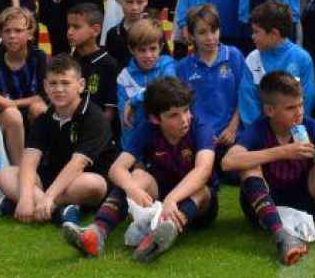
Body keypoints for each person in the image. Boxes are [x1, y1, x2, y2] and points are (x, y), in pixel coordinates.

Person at [222, 71, 315, 264]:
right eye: (290, 108)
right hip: (264, 208)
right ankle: (282, 238)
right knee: (249, 167)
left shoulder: (310, 126)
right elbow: (228, 162)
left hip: (305, 201)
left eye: (301, 105)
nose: (299, 112)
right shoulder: (259, 128)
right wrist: (283, 151)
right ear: (270, 110)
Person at [64, 76, 218, 262]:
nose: (184, 120)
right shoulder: (147, 129)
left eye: (186, 111)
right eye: (174, 115)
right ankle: (97, 233)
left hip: (199, 207)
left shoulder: (200, 128)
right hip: (160, 197)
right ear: (155, 119)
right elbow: (116, 169)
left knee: (202, 190)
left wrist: (172, 199)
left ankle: (161, 234)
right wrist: (133, 188)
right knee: (136, 176)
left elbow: (203, 171)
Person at [0, 56, 115, 226]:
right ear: (45, 86)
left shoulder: (94, 117)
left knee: (93, 184)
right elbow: (29, 160)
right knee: (3, 175)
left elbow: (77, 164)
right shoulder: (46, 117)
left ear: (80, 85)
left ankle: (26, 202)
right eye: (53, 83)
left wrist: (47, 196)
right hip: (51, 178)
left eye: (65, 83)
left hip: (81, 179)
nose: (59, 89)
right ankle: (58, 212)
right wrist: (27, 197)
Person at [172, 4, 247, 163]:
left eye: (214, 30)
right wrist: (200, 134)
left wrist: (232, 128)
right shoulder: (183, 67)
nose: (210, 37)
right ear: (191, 35)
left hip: (231, 135)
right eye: (202, 32)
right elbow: (182, 107)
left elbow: (245, 96)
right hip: (198, 137)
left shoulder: (233, 56)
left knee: (235, 171)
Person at [0, 7, 50, 165]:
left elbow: (43, 96)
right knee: (12, 114)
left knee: (39, 108)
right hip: (8, 118)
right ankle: (18, 168)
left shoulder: (39, 57)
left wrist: (10, 103)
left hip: (31, 113)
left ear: (30, 34)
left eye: (18, 30)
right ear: (0, 35)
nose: (12, 36)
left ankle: (44, 162)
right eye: (7, 31)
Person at [238, 1, 315, 126]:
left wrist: (295, 124)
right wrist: (261, 133)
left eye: (256, 32)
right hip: (260, 134)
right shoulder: (252, 59)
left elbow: (309, 97)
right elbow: (248, 102)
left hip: (296, 128)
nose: (252, 36)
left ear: (274, 34)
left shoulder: (302, 58)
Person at [117, 20, 177, 148]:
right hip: (136, 146)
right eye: (142, 50)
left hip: (166, 143)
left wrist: (134, 100)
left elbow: (165, 88)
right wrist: (134, 157)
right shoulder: (124, 77)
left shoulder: (167, 64)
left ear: (161, 47)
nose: (148, 55)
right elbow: (126, 122)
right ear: (132, 49)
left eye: (153, 48)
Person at [65, 3, 117, 124]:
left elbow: (110, 113)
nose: (69, 32)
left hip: (96, 130)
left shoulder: (109, 64)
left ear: (95, 30)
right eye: (69, 27)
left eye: (76, 27)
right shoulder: (67, 61)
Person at [103, 0, 165, 71]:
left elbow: (166, 61)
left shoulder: (156, 29)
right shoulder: (113, 34)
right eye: (129, 2)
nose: (134, 7)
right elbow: (108, 68)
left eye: (139, 2)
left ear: (147, 0)